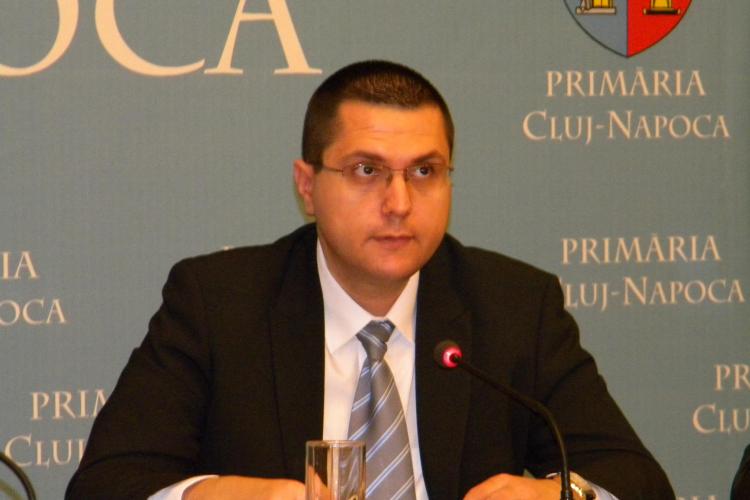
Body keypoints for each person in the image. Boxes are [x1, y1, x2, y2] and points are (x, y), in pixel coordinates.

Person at [66, 60, 674, 500]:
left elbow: (638, 480)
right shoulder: (219, 303)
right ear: (308, 186)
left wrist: (563, 494)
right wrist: (228, 495)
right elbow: (106, 484)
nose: (399, 203)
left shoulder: (514, 306)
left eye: (425, 172)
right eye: (366, 170)